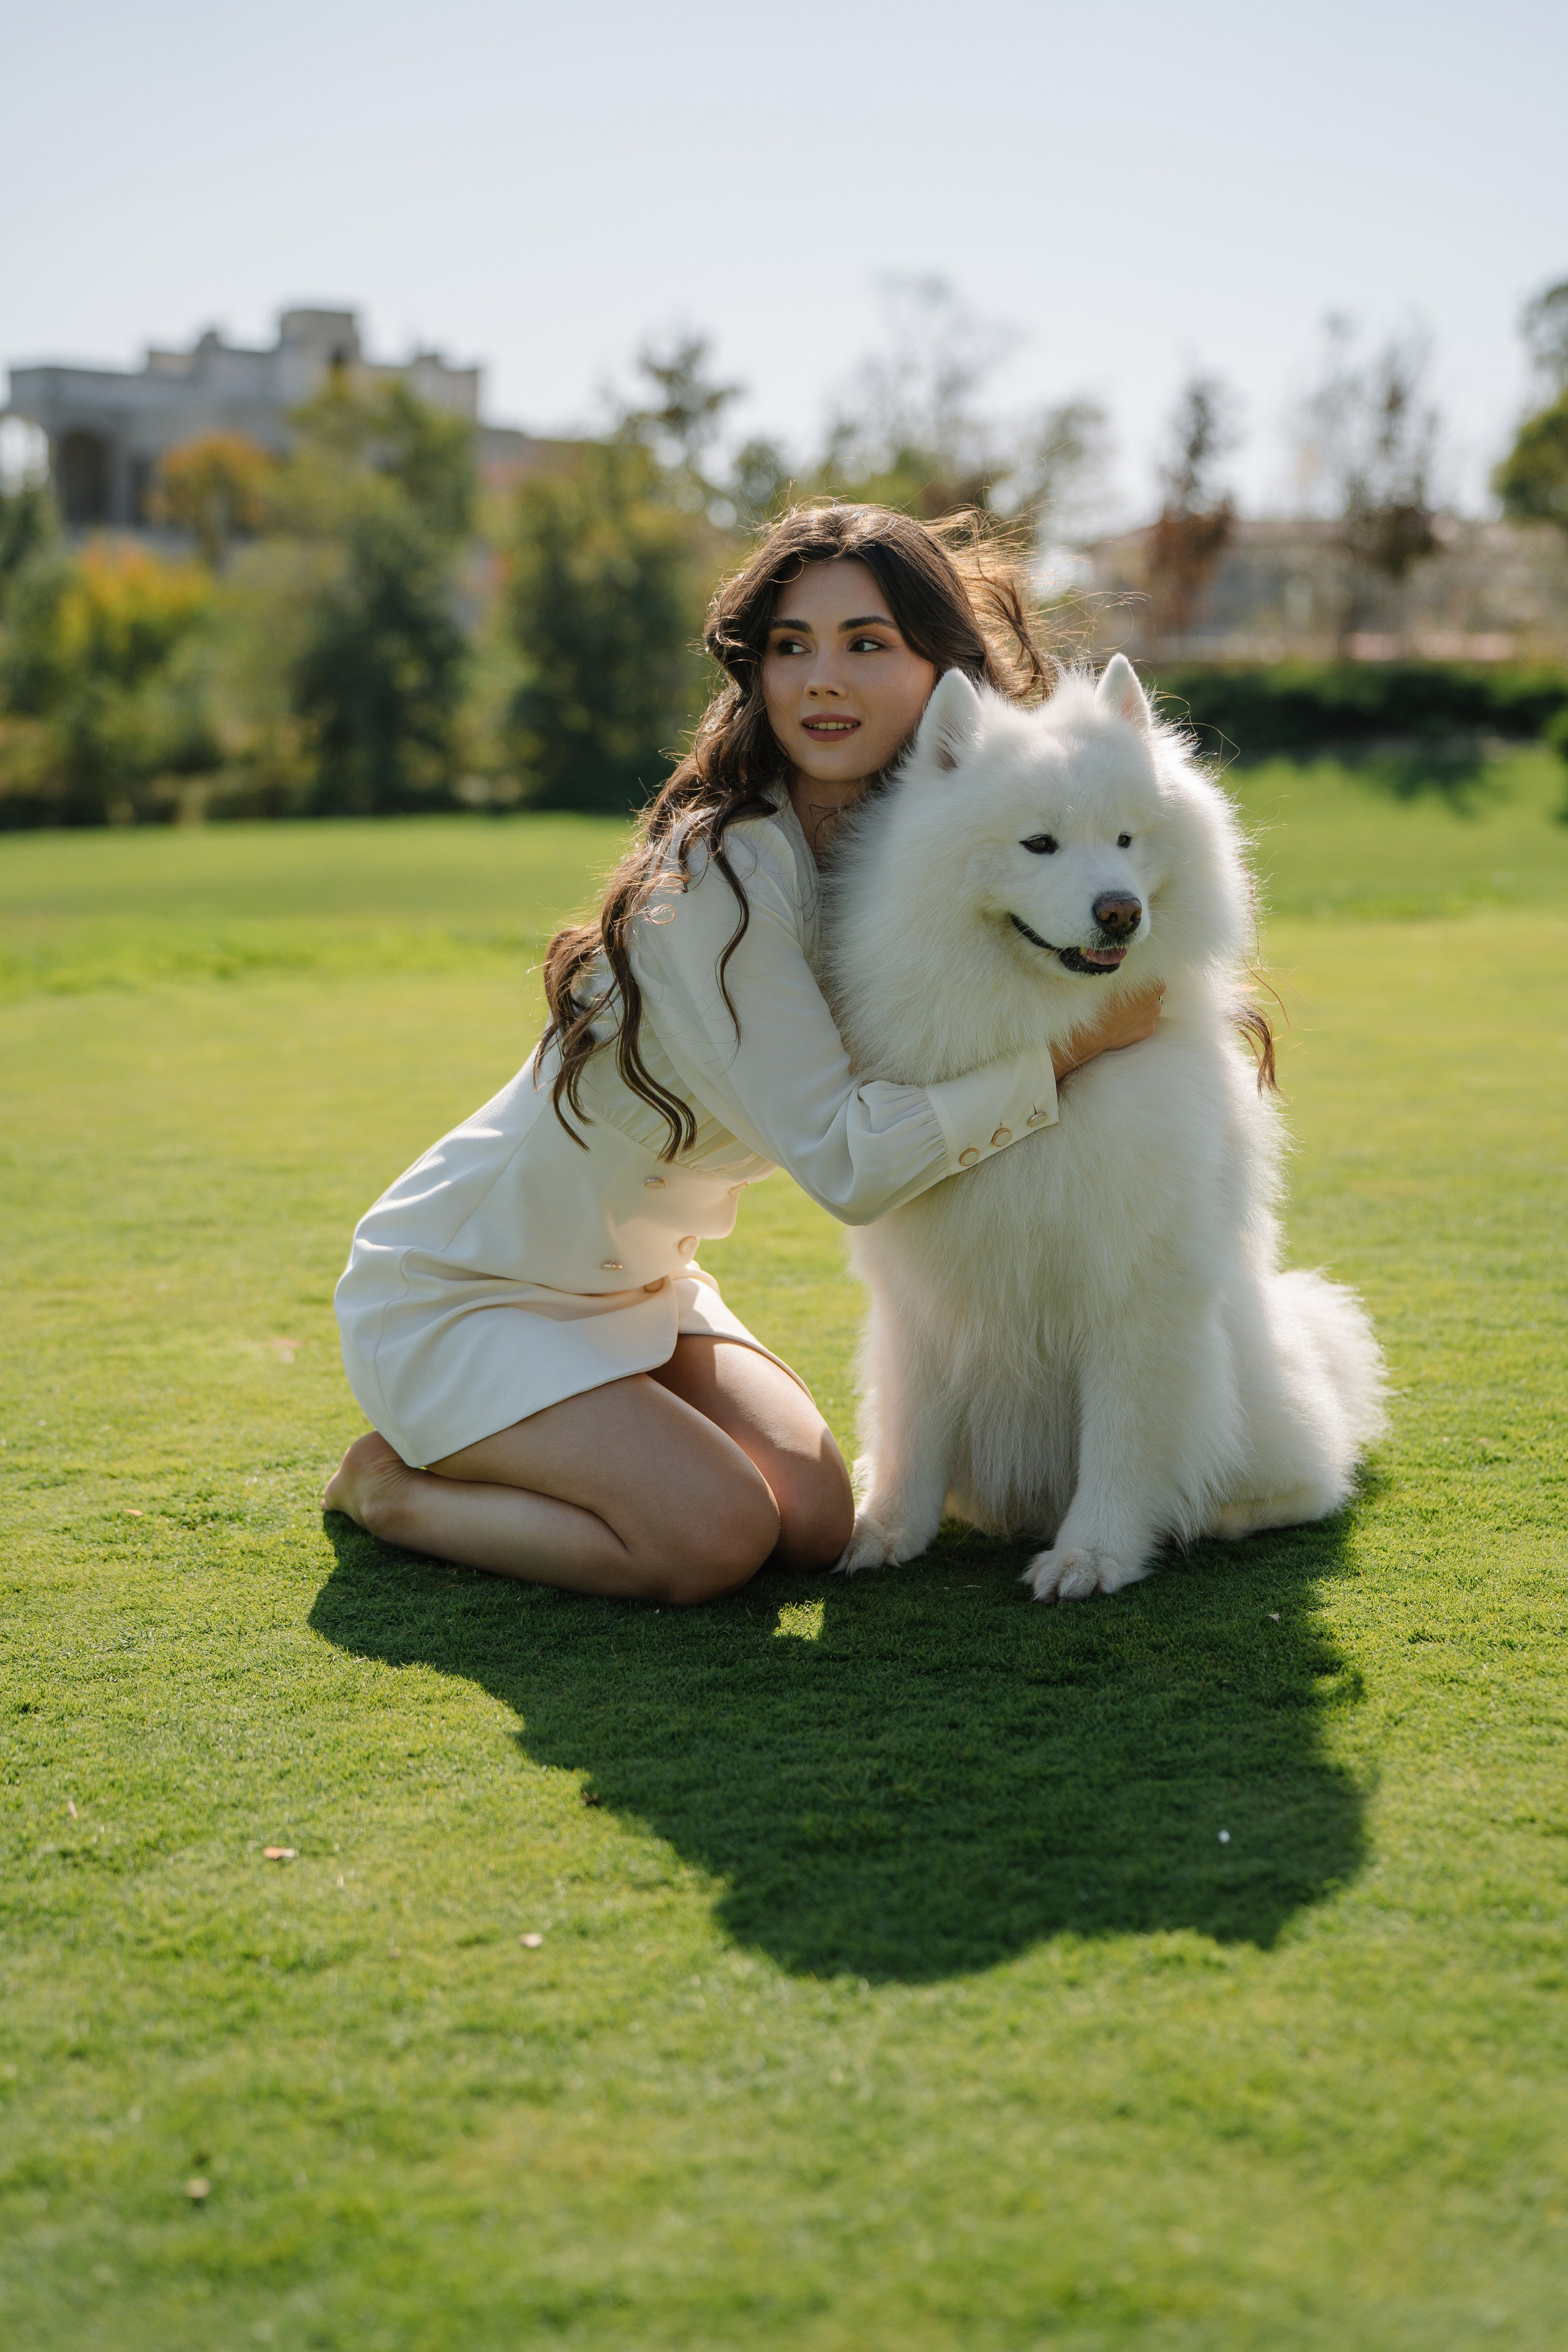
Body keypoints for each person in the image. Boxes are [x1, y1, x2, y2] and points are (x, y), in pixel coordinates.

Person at [323, 505, 1164, 1604]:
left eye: (866, 644)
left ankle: (563, 1437)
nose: (822, 679)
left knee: (812, 1525)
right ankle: (390, 1491)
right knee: (714, 1538)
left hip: (645, 1288)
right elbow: (847, 1166)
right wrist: (1067, 1052)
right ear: (756, 673)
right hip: (471, 1288)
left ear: (941, 669)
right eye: (790, 646)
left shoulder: (918, 857)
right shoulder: (714, 878)